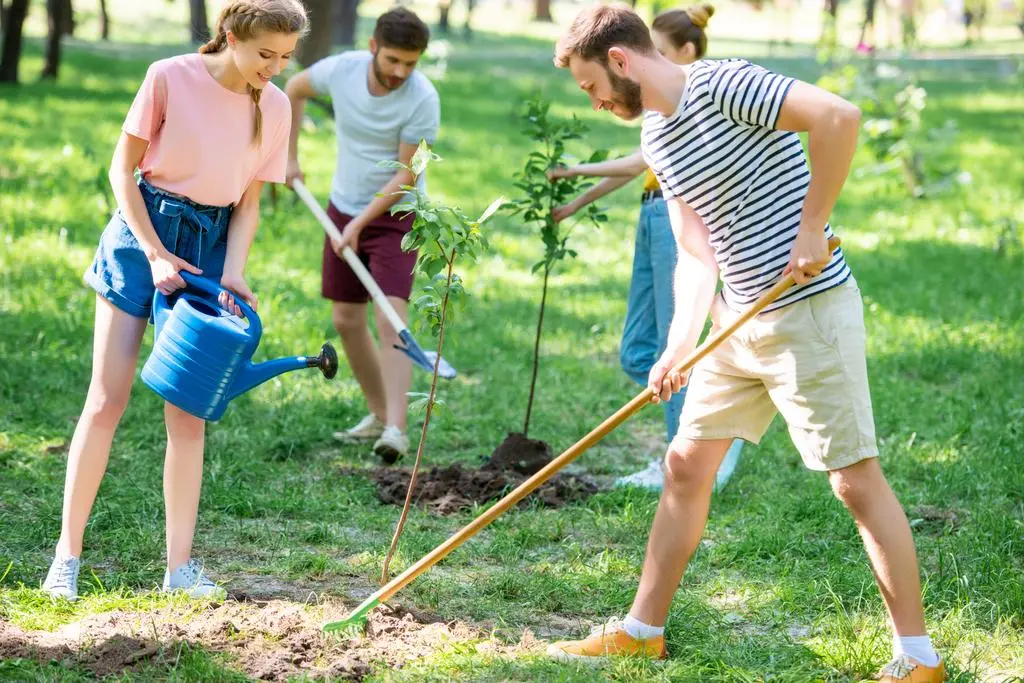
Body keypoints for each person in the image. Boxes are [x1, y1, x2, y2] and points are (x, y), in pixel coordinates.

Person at [546, 6, 945, 682]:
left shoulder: (723, 85)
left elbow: (839, 117)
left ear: (619, 62)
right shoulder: (658, 133)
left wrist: (812, 224)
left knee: (852, 478)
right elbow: (696, 252)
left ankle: (918, 656)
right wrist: (679, 343)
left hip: (807, 313)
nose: (594, 99)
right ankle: (643, 630)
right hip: (737, 323)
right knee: (684, 466)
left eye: (590, 85)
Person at [42, 0, 308, 602]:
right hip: (143, 236)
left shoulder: (276, 104)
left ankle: (179, 568)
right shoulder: (169, 76)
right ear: (233, 36)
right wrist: (158, 254)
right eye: (265, 53)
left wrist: (233, 273)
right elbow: (121, 171)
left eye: (286, 57)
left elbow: (248, 205)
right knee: (106, 399)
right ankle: (66, 557)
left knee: (187, 417)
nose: (275, 67)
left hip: (210, 250)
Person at [548, 4, 744, 493]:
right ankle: (719, 423)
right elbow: (641, 165)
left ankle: (689, 461)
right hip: (653, 213)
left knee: (672, 349)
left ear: (684, 51)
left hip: (674, 221)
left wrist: (577, 176)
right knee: (640, 354)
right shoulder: (656, 119)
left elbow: (638, 163)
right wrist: (576, 197)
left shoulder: (689, 102)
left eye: (658, 48)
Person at [284, 8, 441, 464]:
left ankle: (397, 429)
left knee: (390, 316)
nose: (401, 72)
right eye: (393, 60)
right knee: (346, 320)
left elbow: (408, 176)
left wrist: (358, 225)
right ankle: (377, 414)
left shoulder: (423, 99)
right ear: (373, 47)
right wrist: (289, 158)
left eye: (411, 63)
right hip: (344, 204)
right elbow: (294, 89)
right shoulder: (342, 71)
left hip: (397, 214)